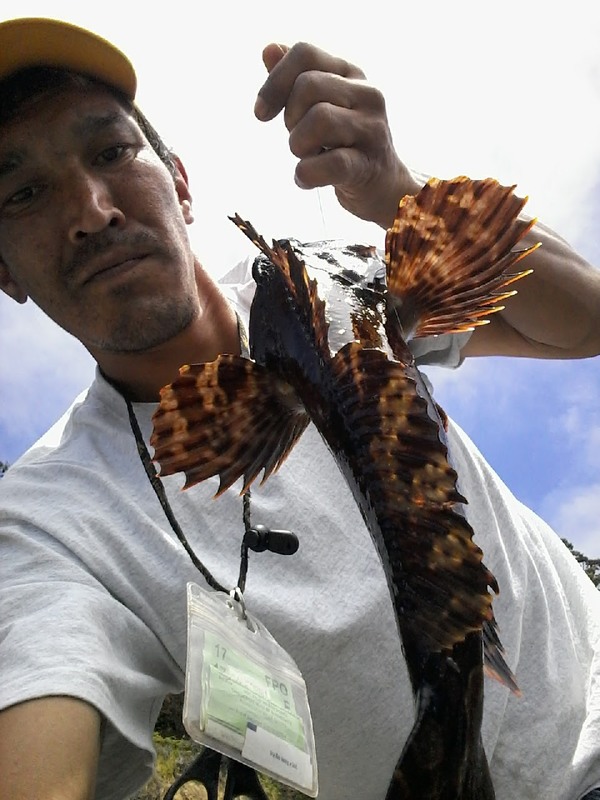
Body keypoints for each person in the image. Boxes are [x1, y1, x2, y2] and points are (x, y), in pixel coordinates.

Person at [0, 15, 598, 800]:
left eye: (111, 152)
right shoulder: (48, 519)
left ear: (181, 184)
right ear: (4, 272)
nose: (90, 210)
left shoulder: (332, 282)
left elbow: (585, 320)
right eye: (23, 193)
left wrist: (401, 188)